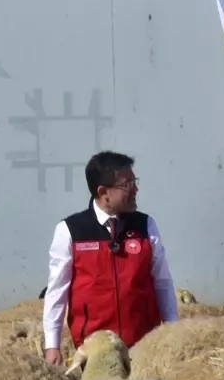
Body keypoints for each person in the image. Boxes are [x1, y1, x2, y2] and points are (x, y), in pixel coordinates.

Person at [41, 151, 179, 365]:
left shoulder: (146, 226)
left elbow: (162, 283)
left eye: (135, 181)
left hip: (144, 348)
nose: (136, 189)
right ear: (103, 192)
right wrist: (52, 345)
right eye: (127, 184)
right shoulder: (70, 231)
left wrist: (173, 330)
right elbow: (57, 291)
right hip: (94, 352)